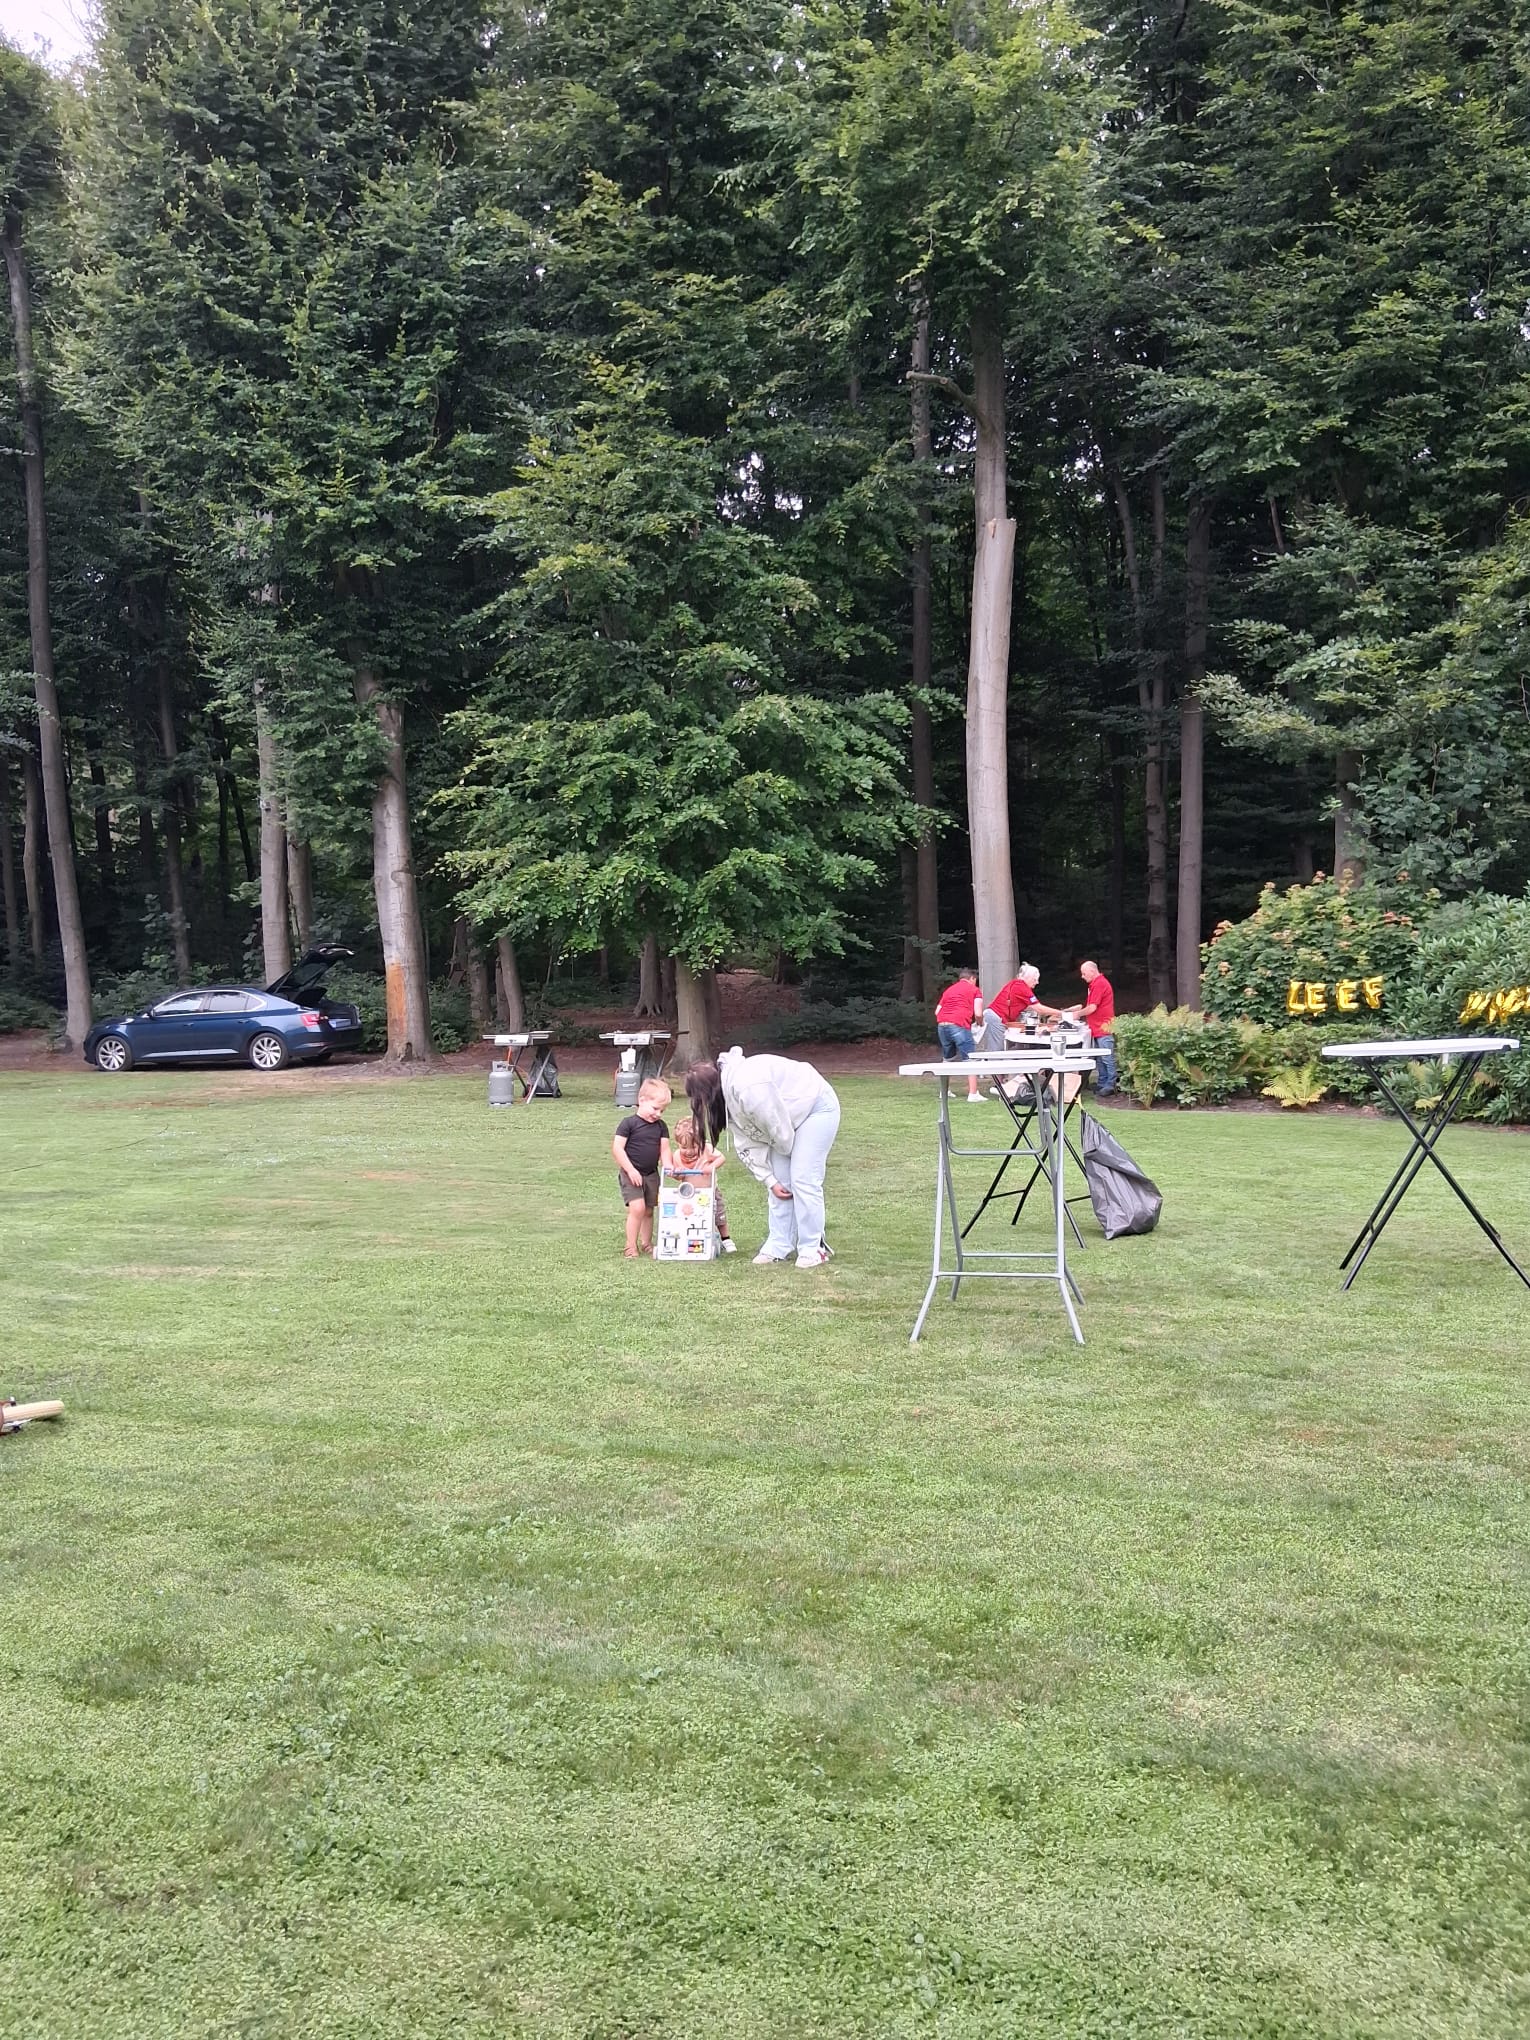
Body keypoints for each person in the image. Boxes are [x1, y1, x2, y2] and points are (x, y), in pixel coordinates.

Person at [685, 1049, 840, 1269]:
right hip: (787, 1122)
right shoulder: (728, 1098)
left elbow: (776, 1125)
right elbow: (747, 1140)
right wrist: (770, 1179)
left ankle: (813, 1248)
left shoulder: (748, 1086)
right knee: (780, 1184)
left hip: (815, 1107)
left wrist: (790, 1158)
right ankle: (779, 1244)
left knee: (803, 1178)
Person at [612, 1077, 672, 1257]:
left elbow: (665, 1149)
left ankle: (646, 1243)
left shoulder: (661, 1127)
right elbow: (617, 1148)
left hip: (651, 1174)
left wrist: (668, 1165)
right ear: (642, 1100)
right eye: (655, 1108)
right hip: (631, 1173)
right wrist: (631, 1170)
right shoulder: (628, 1124)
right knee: (637, 1208)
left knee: (648, 1210)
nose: (658, 1114)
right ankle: (630, 1246)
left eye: (662, 1110)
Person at [670, 1113, 737, 1255]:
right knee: (692, 1216)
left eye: (694, 1147)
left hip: (710, 1191)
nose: (689, 1151)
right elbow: (679, 1177)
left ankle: (726, 1239)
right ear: (678, 1144)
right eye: (684, 1147)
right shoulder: (677, 1156)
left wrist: (711, 1167)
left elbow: (721, 1158)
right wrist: (677, 1173)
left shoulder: (707, 1149)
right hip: (689, 1194)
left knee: (719, 1215)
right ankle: (694, 1237)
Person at [934, 967, 986, 1102]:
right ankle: (973, 1094)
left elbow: (937, 1011)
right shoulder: (975, 990)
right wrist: (980, 1023)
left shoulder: (949, 990)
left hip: (942, 1025)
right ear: (972, 978)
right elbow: (978, 1013)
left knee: (947, 1059)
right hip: (959, 1024)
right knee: (970, 1059)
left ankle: (944, 1091)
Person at [1067, 959, 1118, 1096]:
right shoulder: (1095, 984)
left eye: (1084, 973)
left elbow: (1092, 1008)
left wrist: (1077, 1014)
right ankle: (1102, 1083)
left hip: (1104, 1027)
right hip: (1097, 1027)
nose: (1082, 976)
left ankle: (1111, 1084)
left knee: (1107, 1057)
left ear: (1092, 971)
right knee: (1100, 1058)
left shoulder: (1099, 984)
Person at [981, 962, 1054, 1050]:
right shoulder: (1021, 987)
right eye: (1035, 979)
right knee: (997, 1049)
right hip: (997, 1018)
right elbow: (1039, 1009)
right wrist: (1062, 1013)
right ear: (1028, 977)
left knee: (1001, 1046)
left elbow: (1031, 1006)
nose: (1037, 982)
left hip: (997, 1017)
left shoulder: (1017, 984)